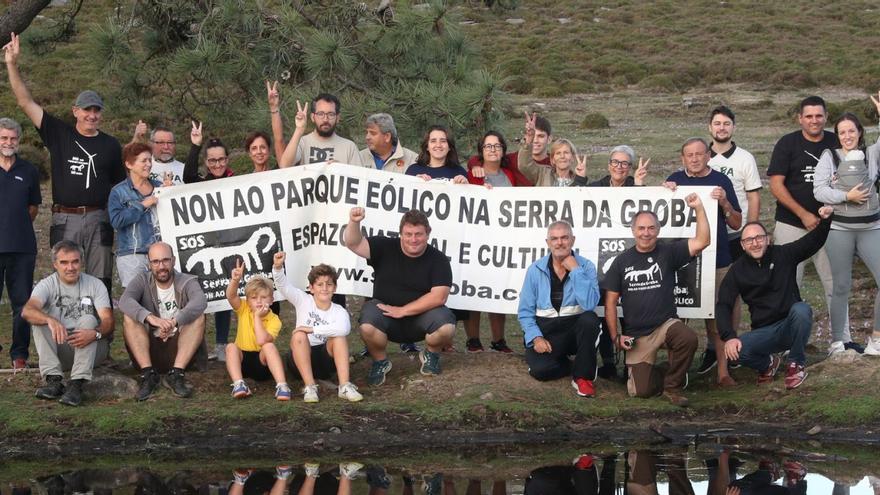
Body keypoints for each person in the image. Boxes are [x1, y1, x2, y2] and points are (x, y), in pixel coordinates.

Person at [5, 33, 124, 298]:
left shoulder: (111, 144)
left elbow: (120, 185)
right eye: (86, 110)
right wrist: (12, 63)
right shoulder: (59, 133)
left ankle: (99, 336)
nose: (92, 115)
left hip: (98, 218)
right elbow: (26, 102)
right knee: (65, 278)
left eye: (96, 110)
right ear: (75, 111)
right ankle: (66, 336)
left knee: (100, 278)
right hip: (65, 217)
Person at [768, 96, 861, 354]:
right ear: (800, 118)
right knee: (788, 283)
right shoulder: (787, 143)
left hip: (830, 227)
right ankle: (788, 344)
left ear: (826, 116)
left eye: (818, 115)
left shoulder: (835, 141)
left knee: (835, 283)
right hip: (791, 224)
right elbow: (776, 185)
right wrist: (803, 214)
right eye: (808, 116)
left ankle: (841, 341)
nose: (814, 120)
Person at [602, 193, 711, 407]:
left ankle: (673, 387)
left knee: (687, 338)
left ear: (658, 230)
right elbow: (610, 303)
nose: (646, 233)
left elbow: (702, 241)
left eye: (651, 228)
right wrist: (616, 337)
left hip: (665, 325)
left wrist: (698, 207)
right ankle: (666, 370)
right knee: (641, 392)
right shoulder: (621, 261)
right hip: (637, 335)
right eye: (641, 228)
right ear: (633, 231)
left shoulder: (668, 252)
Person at [718, 207, 834, 390]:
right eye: (749, 240)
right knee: (735, 352)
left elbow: (812, 242)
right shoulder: (737, 271)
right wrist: (729, 337)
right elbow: (724, 304)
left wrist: (826, 220)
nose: (755, 243)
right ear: (742, 245)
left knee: (802, 309)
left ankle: (796, 364)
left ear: (767, 239)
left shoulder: (783, 254)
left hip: (791, 325)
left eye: (759, 238)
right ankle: (768, 364)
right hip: (764, 333)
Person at [344, 207, 457, 385]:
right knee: (367, 325)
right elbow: (353, 243)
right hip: (386, 316)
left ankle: (431, 355)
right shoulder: (385, 247)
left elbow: (439, 297)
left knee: (447, 326)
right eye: (408, 234)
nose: (413, 239)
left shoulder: (438, 259)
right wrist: (354, 222)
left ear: (428, 233)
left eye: (418, 234)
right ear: (401, 234)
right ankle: (380, 362)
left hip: (422, 319)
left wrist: (403, 310)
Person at [665, 137, 742, 387]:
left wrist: (725, 203)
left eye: (699, 154)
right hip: (682, 260)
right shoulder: (675, 179)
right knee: (678, 319)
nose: (695, 158)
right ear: (682, 158)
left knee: (719, 319)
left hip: (717, 259)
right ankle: (677, 373)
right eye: (690, 155)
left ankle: (723, 372)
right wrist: (662, 191)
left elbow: (736, 223)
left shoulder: (721, 180)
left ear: (708, 155)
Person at [813, 108, 880, 356]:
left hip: (871, 228)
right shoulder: (829, 156)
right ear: (837, 135)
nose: (847, 135)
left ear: (860, 132)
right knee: (841, 286)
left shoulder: (872, 155)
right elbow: (818, 190)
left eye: (852, 130)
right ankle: (837, 342)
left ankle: (876, 340)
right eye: (842, 132)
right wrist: (846, 196)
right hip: (840, 229)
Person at [21, 240, 113, 407]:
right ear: (55, 264)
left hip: (92, 348)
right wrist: (50, 319)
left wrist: (95, 333)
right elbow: (27, 311)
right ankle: (54, 381)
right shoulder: (46, 284)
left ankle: (77, 384)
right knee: (39, 320)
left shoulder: (95, 284)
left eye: (75, 262)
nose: (70, 267)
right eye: (64, 262)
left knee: (89, 319)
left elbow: (108, 321)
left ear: (81, 262)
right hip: (61, 348)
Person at [704, 106, 761, 373]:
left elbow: (753, 196)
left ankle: (732, 343)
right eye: (717, 123)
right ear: (710, 128)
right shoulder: (700, 156)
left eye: (727, 123)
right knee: (705, 292)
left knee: (732, 293)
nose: (722, 128)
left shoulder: (745, 158)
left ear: (733, 127)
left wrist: (752, 231)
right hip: (708, 236)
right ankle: (710, 348)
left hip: (736, 233)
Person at [517, 221, 602, 397]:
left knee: (590, 319)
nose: (559, 242)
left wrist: (576, 270)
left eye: (564, 237)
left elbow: (589, 304)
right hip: (547, 333)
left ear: (573, 240)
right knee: (540, 371)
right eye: (554, 238)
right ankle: (571, 365)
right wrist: (536, 337)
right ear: (548, 242)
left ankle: (582, 377)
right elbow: (525, 312)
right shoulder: (535, 269)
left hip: (575, 330)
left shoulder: (586, 267)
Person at [587, 145, 648, 379]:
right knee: (603, 311)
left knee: (628, 315)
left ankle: (631, 365)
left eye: (624, 164)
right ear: (608, 164)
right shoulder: (594, 188)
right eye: (615, 162)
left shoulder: (638, 187)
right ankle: (609, 362)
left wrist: (642, 187)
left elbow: (647, 213)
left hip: (630, 259)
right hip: (601, 258)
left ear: (630, 168)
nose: (619, 167)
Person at [119, 242, 208, 400]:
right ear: (149, 263)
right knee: (129, 317)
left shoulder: (187, 281)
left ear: (173, 260)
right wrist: (151, 319)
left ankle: (176, 374)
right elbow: (125, 301)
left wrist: (174, 321)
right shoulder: (141, 280)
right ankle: (148, 375)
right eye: (156, 262)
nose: (161, 266)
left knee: (198, 316)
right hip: (149, 349)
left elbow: (200, 301)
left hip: (179, 348)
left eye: (165, 260)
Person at [272, 253, 363, 403]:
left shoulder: (339, 310)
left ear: (335, 288)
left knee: (339, 338)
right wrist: (277, 267)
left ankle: (344, 386)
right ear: (311, 288)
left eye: (329, 284)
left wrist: (313, 329)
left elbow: (344, 329)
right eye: (320, 284)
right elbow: (283, 286)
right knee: (299, 335)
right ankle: (310, 387)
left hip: (325, 360)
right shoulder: (303, 300)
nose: (324, 288)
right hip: (300, 358)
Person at [181, 123, 234, 361]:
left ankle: (222, 343)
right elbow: (187, 177)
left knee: (226, 293)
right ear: (206, 162)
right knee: (201, 293)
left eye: (221, 160)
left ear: (227, 159)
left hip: (229, 246)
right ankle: (197, 345)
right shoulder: (200, 182)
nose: (217, 165)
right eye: (212, 161)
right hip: (205, 247)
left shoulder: (237, 181)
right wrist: (195, 145)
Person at [0, 117, 41, 371]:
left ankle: (19, 355)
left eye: (13, 138)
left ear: (19, 140)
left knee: (22, 304)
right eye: (4, 138)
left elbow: (33, 207)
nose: (8, 142)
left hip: (22, 247)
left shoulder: (28, 171)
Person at [225, 260, 291, 401]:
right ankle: (239, 384)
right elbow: (230, 296)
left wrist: (257, 317)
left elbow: (262, 340)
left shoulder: (274, 320)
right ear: (248, 301)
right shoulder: (243, 308)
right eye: (254, 298)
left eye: (263, 297)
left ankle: (282, 386)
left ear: (272, 300)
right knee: (231, 347)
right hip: (242, 361)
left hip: (262, 364)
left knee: (268, 346)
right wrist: (235, 280)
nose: (259, 302)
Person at [108, 142, 162, 289]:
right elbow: (116, 221)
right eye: (143, 161)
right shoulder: (118, 192)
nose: (149, 164)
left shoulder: (160, 186)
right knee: (135, 302)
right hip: (132, 255)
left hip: (160, 255)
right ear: (129, 164)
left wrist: (171, 192)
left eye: (150, 160)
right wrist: (142, 205)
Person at [278, 93, 363, 167]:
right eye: (320, 114)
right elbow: (284, 166)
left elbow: (360, 179)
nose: (325, 119)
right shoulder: (302, 143)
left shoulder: (349, 147)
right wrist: (299, 129)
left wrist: (341, 170)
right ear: (312, 117)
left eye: (331, 114)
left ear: (338, 118)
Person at [468, 112, 552, 181]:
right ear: (526, 136)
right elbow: (482, 158)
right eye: (532, 135)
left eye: (540, 136)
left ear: (549, 139)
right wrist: (476, 166)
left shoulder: (555, 162)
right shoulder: (513, 159)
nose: (535, 140)